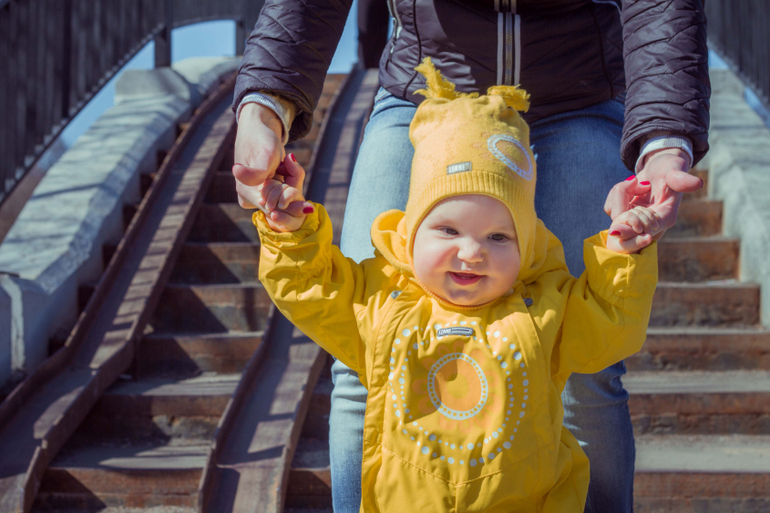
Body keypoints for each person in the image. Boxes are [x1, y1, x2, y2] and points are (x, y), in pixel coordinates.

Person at [231, 2, 708, 510]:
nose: (471, 252)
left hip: (579, 87)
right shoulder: (378, 303)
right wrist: (266, 111)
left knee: (586, 374)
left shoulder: (549, 313)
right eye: (449, 232)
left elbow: (607, 320)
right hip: (424, 90)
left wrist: (632, 229)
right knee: (361, 364)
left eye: (498, 238)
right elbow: (317, 288)